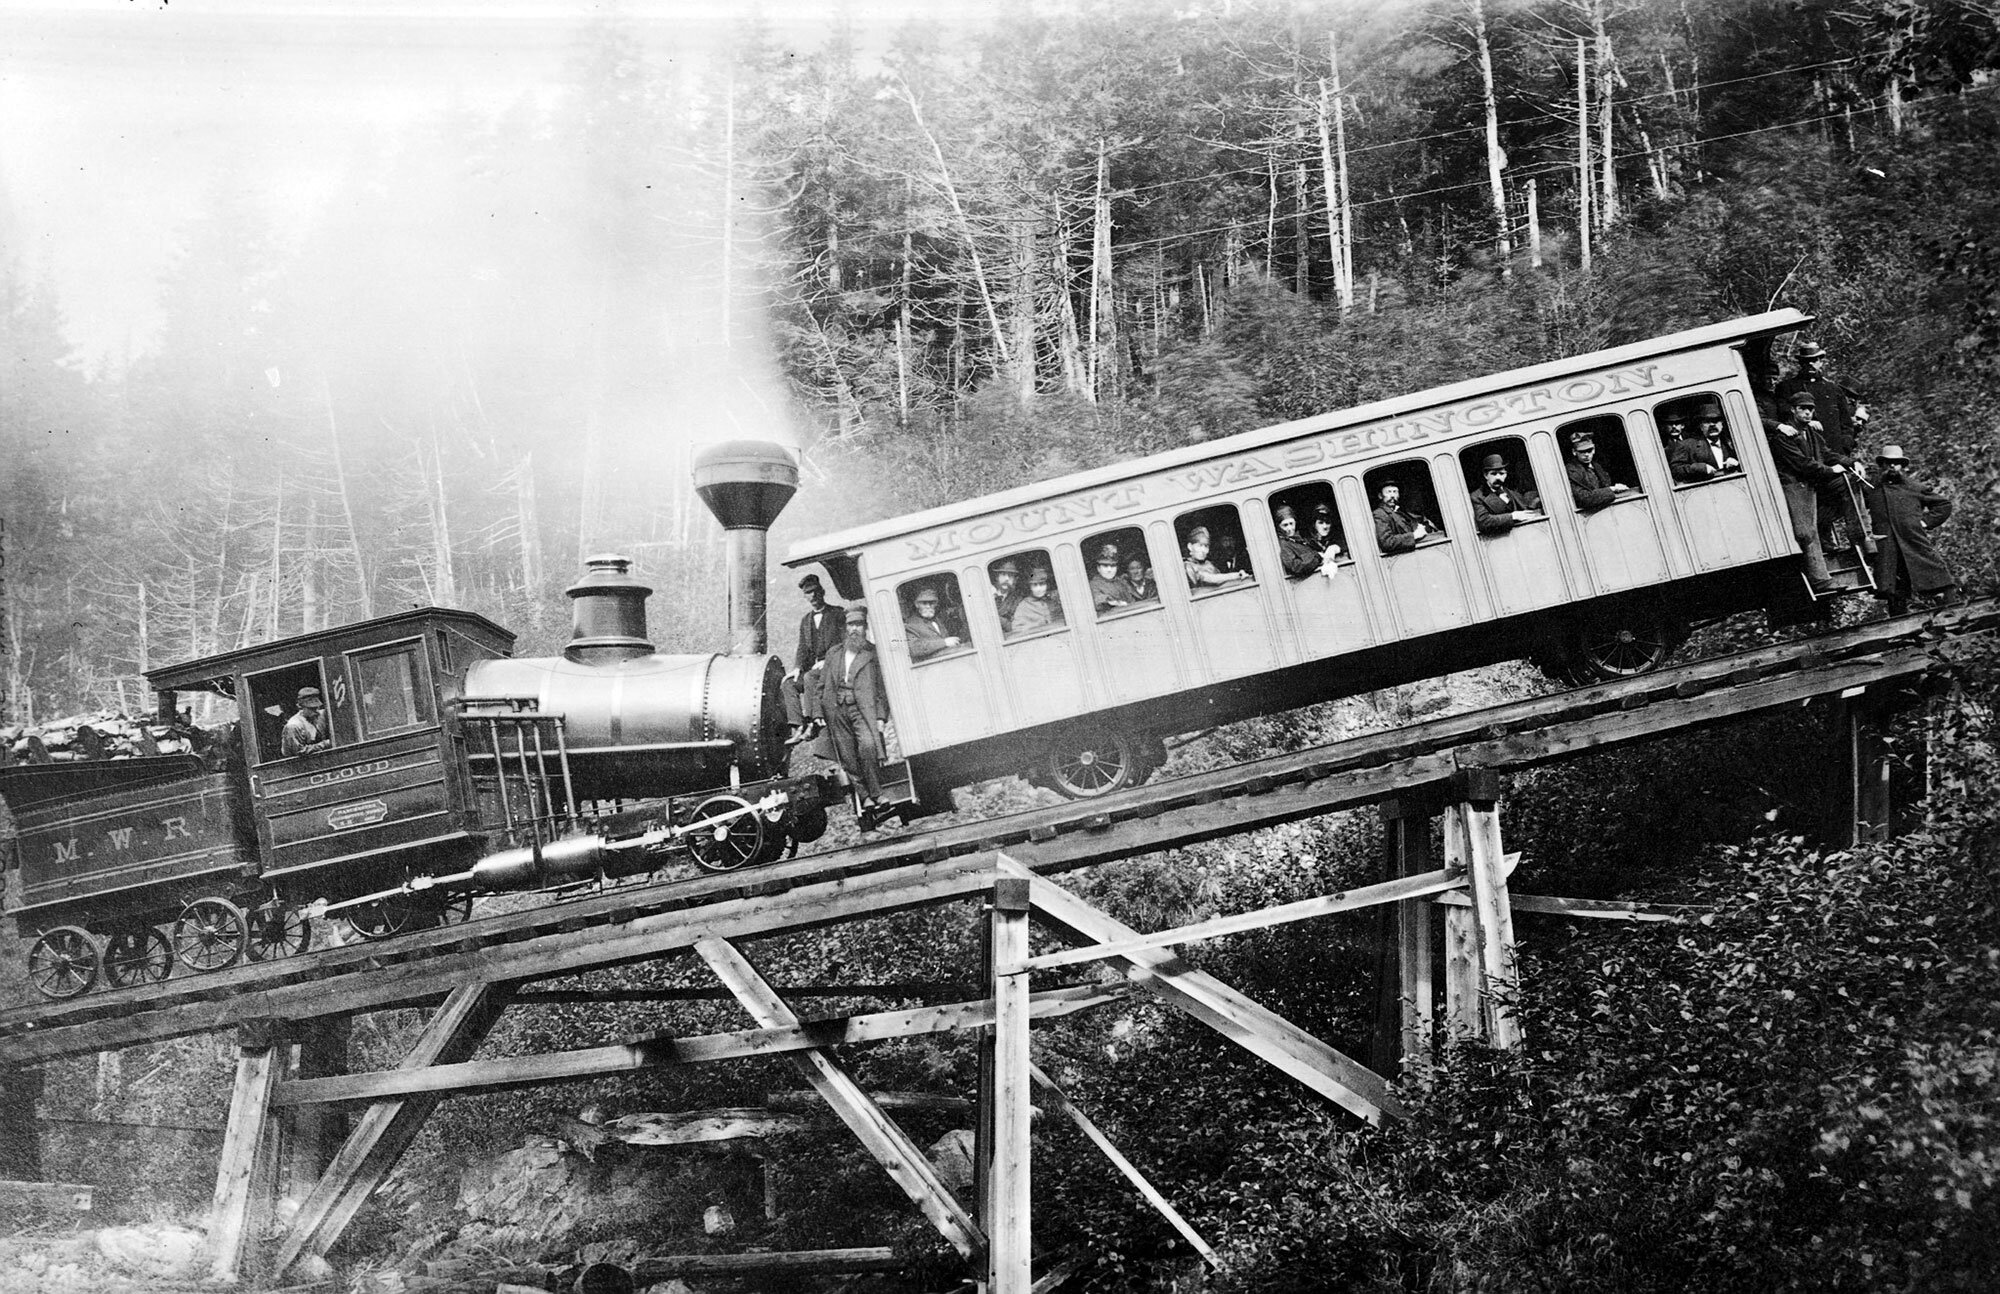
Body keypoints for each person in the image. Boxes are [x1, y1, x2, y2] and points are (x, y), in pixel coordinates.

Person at [1863, 444, 1960, 616]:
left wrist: (1924, 523)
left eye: (1897, 463)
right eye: (1888, 462)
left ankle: (1953, 621)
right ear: (1882, 465)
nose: (1893, 466)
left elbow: (1944, 504)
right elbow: (1858, 509)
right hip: (1888, 546)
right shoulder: (1871, 489)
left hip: (1914, 542)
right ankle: (1901, 632)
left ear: (1903, 465)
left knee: (1938, 580)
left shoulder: (1914, 487)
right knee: (1893, 589)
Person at [1766, 389, 1845, 595]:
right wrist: (1830, 470)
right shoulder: (1782, 436)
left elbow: (1826, 453)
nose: (1808, 413)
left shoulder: (1811, 432)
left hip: (1810, 485)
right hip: (1794, 486)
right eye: (1803, 409)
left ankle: (1863, 538)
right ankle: (1819, 580)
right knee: (1805, 532)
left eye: (1811, 409)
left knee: (1848, 485)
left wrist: (1849, 462)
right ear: (1793, 410)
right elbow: (1801, 464)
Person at [815, 607, 890, 817]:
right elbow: (821, 686)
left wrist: (881, 717)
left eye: (858, 625)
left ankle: (877, 794)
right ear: (845, 628)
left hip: (862, 710)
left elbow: (882, 689)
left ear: (865, 628)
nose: (854, 629)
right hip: (837, 711)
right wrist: (818, 713)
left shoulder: (872, 653)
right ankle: (864, 797)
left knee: (868, 747)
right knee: (847, 756)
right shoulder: (834, 653)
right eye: (851, 625)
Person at [1778, 340, 1869, 464]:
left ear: (1820, 362)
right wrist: (1804, 422)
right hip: (1805, 451)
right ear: (1800, 363)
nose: (1810, 363)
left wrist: (1845, 447)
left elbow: (1846, 424)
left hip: (1835, 451)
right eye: (1806, 361)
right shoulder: (1787, 387)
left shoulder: (1833, 389)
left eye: (1815, 360)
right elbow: (1783, 412)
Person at [783, 574, 844, 743]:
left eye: (816, 591)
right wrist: (796, 668)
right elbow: (802, 647)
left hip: (835, 665)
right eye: (809, 593)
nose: (813, 596)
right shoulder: (805, 621)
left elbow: (845, 642)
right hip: (815, 669)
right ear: (805, 596)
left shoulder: (838, 614)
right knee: (788, 684)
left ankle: (812, 723)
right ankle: (797, 726)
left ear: (822, 592)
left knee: (810, 677)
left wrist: (828, 660)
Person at [1470, 453, 1543, 533]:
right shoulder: (1477, 496)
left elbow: (1525, 510)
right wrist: (1512, 516)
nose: (1498, 477)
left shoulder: (1513, 493)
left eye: (1501, 474)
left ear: (1506, 475)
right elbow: (1484, 521)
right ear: (1486, 475)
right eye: (1493, 474)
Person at [1668, 401, 1740, 482]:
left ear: (1722, 424)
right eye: (1707, 422)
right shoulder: (1687, 445)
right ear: (1701, 426)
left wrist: (1737, 463)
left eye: (1715, 421)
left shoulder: (1732, 443)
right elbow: (1675, 470)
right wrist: (1700, 468)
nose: (1712, 425)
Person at [1566, 430, 1631, 509]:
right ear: (1574, 452)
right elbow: (1584, 499)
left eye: (1589, 450)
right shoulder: (1571, 470)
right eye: (1582, 452)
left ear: (1594, 450)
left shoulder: (1597, 467)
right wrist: (1612, 489)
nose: (1586, 455)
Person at [903, 584, 963, 660]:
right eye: (924, 603)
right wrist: (944, 642)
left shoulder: (937, 620)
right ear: (916, 604)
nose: (928, 606)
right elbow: (914, 648)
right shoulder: (910, 624)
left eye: (931, 603)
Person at [1273, 504, 1332, 581]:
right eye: (1285, 525)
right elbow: (1296, 566)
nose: (1290, 528)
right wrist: (1318, 557)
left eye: (1291, 524)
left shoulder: (1299, 537)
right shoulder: (1284, 544)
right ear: (1278, 526)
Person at [1372, 482, 1433, 553]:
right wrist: (1414, 536)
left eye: (1395, 492)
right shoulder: (1380, 513)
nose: (1392, 495)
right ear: (1380, 496)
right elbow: (1387, 542)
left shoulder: (1400, 511)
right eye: (1388, 492)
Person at [1183, 526, 1251, 588]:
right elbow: (1212, 579)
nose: (1203, 550)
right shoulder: (1188, 566)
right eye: (1200, 546)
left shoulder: (1209, 564)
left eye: (1206, 546)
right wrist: (1237, 575)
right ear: (1190, 547)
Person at [281, 687, 334, 757]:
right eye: (311, 708)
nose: (316, 711)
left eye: (317, 707)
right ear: (300, 707)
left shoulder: (320, 715)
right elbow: (299, 751)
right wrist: (325, 744)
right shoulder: (294, 725)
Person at [1010, 567, 1066, 632]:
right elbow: (1018, 630)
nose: (1039, 589)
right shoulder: (1024, 606)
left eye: (1042, 584)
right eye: (1035, 585)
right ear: (1030, 587)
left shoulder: (1052, 601)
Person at [1088, 543, 1131, 613]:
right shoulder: (1093, 585)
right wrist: (1116, 603)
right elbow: (1099, 600)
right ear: (1098, 568)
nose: (1109, 570)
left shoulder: (1121, 582)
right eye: (1105, 566)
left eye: (1113, 566)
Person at [990, 559, 1023, 633]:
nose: (1007, 579)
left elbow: (1015, 627)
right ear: (997, 577)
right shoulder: (986, 594)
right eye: (1003, 574)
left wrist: (993, 617)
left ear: (1015, 580)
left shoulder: (1017, 600)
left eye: (1010, 576)